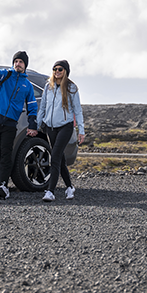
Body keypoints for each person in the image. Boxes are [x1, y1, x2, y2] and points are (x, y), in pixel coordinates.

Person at [0, 51, 39, 200]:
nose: (18, 64)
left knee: (5, 154)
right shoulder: (6, 74)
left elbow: (32, 106)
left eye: (21, 62)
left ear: (25, 65)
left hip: (9, 124)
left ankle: (3, 185)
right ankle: (0, 184)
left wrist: (32, 124)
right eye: (16, 61)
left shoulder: (27, 85)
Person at [36, 59, 85, 202]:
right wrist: (37, 126)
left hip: (65, 127)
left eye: (60, 69)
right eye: (55, 69)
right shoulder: (48, 87)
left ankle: (50, 192)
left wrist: (81, 130)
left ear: (66, 72)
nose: (57, 72)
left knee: (55, 156)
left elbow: (78, 111)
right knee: (60, 159)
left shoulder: (71, 88)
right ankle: (69, 187)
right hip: (50, 128)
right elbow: (43, 107)